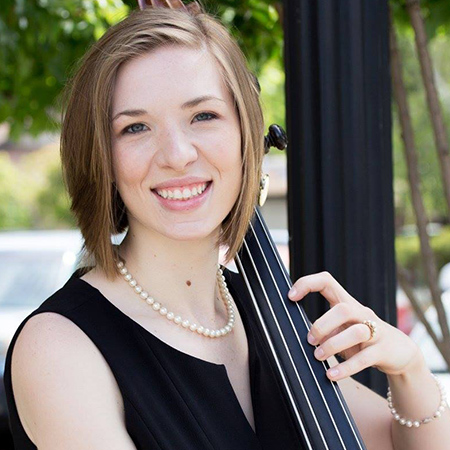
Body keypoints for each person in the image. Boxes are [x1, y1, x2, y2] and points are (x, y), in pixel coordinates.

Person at [3, 3, 450, 449]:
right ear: (100, 157)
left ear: (246, 135)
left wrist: (409, 369)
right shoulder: (59, 349)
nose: (177, 154)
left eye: (203, 116)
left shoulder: (263, 313)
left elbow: (400, 440)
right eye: (136, 128)